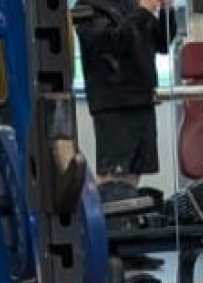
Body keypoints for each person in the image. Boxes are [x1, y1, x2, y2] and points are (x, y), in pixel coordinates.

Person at [72, 0, 176, 187]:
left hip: (142, 99)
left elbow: (162, 43)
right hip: (114, 104)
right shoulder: (86, 7)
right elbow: (114, 42)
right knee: (113, 177)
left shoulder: (131, 4)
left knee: (134, 174)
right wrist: (144, 10)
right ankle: (108, 215)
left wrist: (167, 11)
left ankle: (126, 217)